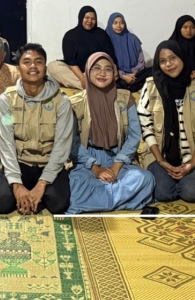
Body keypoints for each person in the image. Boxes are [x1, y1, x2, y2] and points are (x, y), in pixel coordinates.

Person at [0, 43, 73, 215]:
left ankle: (35, 193)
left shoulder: (61, 102)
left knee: (58, 204)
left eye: (38, 62)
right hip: (19, 163)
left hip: (48, 163)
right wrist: (16, 184)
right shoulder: (7, 100)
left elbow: (62, 146)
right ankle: (16, 187)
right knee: (0, 203)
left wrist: (42, 183)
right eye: (27, 62)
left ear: (45, 67)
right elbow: (6, 143)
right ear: (18, 68)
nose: (33, 66)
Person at [66, 53, 155, 215]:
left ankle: (95, 201)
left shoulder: (125, 99)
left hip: (118, 157)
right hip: (87, 160)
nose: (102, 73)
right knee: (75, 182)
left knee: (145, 179)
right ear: (87, 72)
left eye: (108, 69)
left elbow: (134, 136)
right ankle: (122, 199)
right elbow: (73, 142)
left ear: (115, 74)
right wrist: (96, 169)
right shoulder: (75, 103)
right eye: (96, 68)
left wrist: (116, 165)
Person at [136, 41, 195, 204]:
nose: (168, 64)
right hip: (159, 156)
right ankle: (168, 178)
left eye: (173, 58)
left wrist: (192, 163)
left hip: (192, 157)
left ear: (182, 57)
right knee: (163, 193)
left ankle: (187, 180)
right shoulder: (151, 87)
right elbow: (146, 127)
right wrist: (161, 161)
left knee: (192, 193)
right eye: (163, 61)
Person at [48, 6, 117, 90]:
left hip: (96, 71)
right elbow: (71, 62)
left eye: (93, 19)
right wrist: (82, 78)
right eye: (87, 18)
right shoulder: (70, 35)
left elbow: (110, 57)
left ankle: (88, 86)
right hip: (77, 72)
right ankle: (91, 86)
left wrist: (114, 69)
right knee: (53, 66)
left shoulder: (102, 35)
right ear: (81, 18)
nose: (89, 21)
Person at [106, 12, 150, 91]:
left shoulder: (133, 38)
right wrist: (123, 76)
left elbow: (141, 61)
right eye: (115, 23)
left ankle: (130, 86)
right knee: (110, 79)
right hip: (117, 76)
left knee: (153, 71)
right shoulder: (106, 40)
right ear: (110, 24)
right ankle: (132, 86)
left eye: (121, 23)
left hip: (135, 74)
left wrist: (133, 73)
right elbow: (107, 64)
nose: (119, 26)